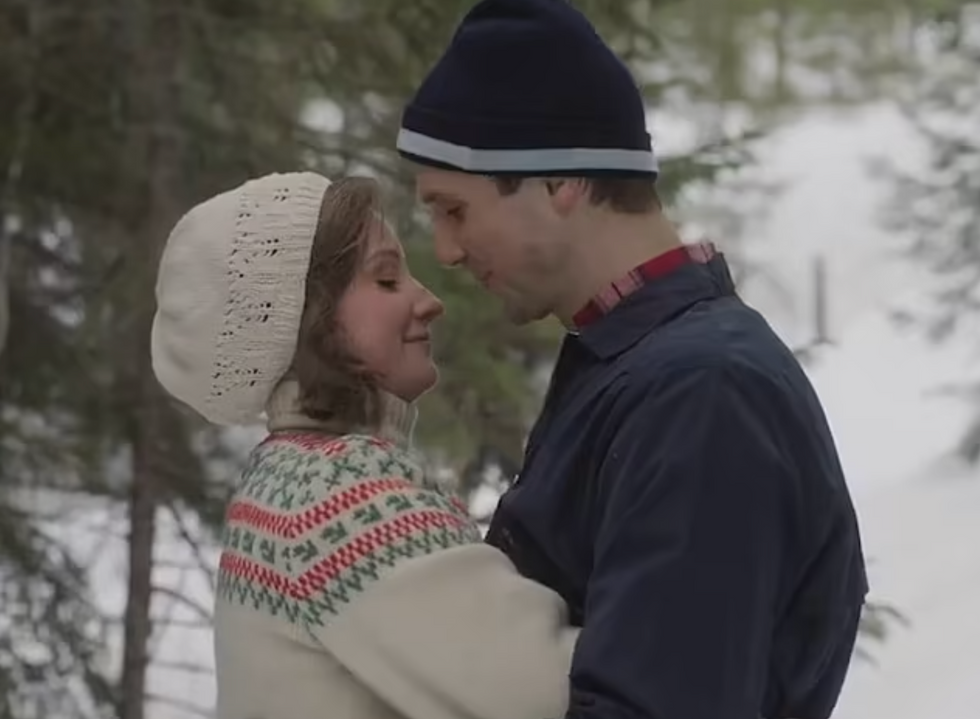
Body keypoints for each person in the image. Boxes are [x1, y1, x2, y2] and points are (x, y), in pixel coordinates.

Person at [396, 1, 869, 718]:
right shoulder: (641, 368)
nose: (449, 251)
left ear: (561, 183)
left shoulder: (703, 394)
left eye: (454, 210)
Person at [150, 172, 578, 719]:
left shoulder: (286, 478)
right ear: (308, 318)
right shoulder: (334, 496)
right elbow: (550, 688)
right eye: (386, 279)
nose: (429, 301)